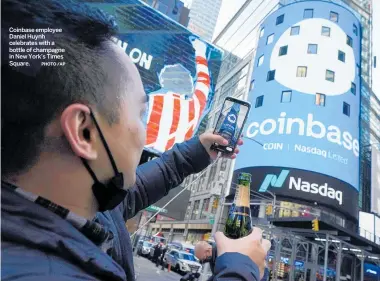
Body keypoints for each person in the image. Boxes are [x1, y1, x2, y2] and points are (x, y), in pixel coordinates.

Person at [1, 0, 270, 280]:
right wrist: (240, 270)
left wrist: (197, 152)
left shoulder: (80, 205)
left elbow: (136, 191)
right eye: (141, 113)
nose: (144, 130)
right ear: (84, 132)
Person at [145, 36, 211, 152]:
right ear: (189, 85)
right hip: (171, 164)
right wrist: (200, 51)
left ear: (163, 81)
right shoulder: (194, 107)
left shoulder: (149, 100)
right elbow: (204, 81)